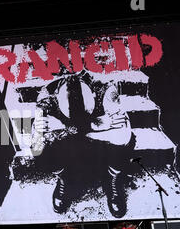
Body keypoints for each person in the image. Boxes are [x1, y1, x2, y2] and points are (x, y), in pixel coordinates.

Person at [31, 73, 134, 218]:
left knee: (125, 143)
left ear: (92, 93)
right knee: (39, 149)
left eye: (85, 113)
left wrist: (68, 129)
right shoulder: (46, 96)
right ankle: (64, 179)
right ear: (57, 99)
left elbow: (123, 134)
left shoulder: (106, 89)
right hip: (77, 140)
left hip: (97, 143)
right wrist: (95, 126)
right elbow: (36, 144)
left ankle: (111, 179)